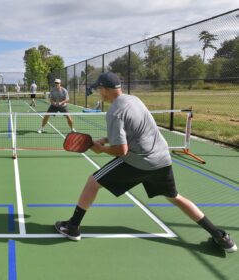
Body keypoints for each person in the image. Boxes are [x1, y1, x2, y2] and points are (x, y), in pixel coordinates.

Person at [54, 72, 237, 253]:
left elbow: (122, 151)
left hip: (139, 161)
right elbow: (133, 129)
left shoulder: (114, 112)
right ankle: (221, 237)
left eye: (99, 89)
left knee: (93, 182)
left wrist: (101, 149)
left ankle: (72, 227)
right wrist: (106, 139)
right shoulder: (134, 99)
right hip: (162, 159)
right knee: (175, 197)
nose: (98, 93)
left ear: (105, 90)